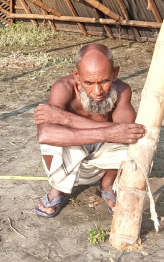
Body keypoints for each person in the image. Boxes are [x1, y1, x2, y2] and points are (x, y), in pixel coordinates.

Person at [33, 43, 146, 218]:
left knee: (136, 144)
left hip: (104, 157)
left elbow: (126, 133)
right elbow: (45, 135)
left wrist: (66, 119)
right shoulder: (63, 88)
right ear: (76, 76)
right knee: (52, 142)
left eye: (104, 81)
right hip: (73, 153)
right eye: (88, 82)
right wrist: (109, 132)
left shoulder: (123, 90)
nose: (97, 91)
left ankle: (107, 184)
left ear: (114, 73)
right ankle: (59, 190)